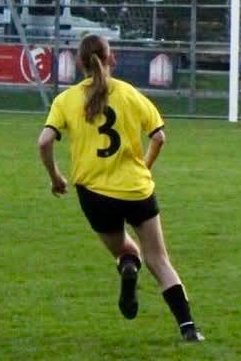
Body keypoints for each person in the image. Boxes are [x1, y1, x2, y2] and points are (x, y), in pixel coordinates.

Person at [36, 34, 205, 342]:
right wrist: (145, 166)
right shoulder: (128, 94)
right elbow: (159, 136)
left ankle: (128, 266)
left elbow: (44, 141)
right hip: (136, 190)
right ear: (111, 59)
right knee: (159, 259)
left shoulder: (66, 100)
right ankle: (188, 328)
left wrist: (56, 177)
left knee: (126, 251)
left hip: (95, 194)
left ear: (79, 63)